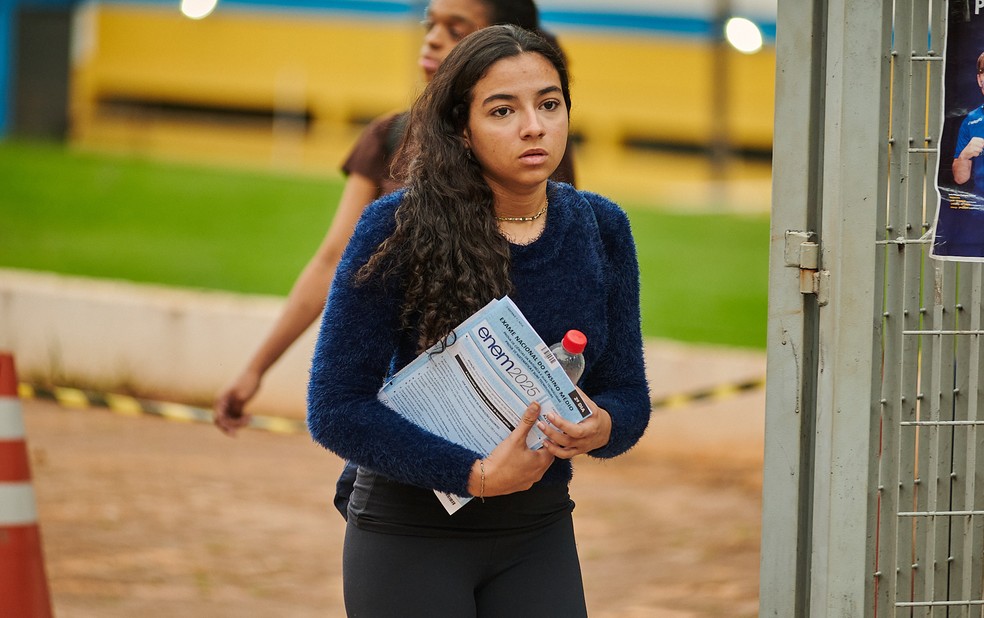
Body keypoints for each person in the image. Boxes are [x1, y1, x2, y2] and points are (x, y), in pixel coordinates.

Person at [307, 25, 650, 616]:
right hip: (408, 531)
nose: (534, 126)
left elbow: (626, 391)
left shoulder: (602, 227)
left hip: (538, 528)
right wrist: (477, 474)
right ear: (461, 131)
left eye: (549, 103)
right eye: (502, 110)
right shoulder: (396, 228)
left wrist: (603, 427)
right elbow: (335, 407)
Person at [213, 0, 575, 437]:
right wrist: (256, 368)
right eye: (431, 24)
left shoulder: (539, 148)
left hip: (501, 408)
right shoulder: (388, 136)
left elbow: (557, 277)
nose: (433, 38)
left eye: (456, 28)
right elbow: (334, 262)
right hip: (397, 399)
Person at [952, 51, 984, 194]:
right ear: (979, 79)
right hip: (980, 208)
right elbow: (960, 178)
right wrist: (964, 156)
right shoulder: (971, 120)